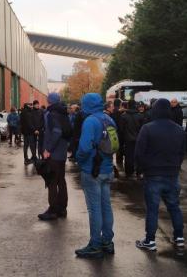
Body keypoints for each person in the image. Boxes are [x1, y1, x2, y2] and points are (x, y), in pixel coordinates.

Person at [134, 99, 186, 255]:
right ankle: (179, 237)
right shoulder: (178, 129)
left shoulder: (147, 128)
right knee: (174, 207)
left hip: (153, 174)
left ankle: (150, 240)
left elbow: (139, 152)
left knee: (152, 209)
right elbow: (182, 153)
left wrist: (141, 169)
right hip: (172, 174)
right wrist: (176, 166)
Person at [74, 93, 116, 259]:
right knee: (106, 206)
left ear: (87, 105)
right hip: (107, 169)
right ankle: (107, 241)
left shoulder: (90, 121)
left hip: (92, 170)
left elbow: (84, 148)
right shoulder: (109, 119)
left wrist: (79, 160)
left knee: (94, 209)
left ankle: (95, 245)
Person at [38, 93, 70, 220]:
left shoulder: (51, 114)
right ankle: (62, 208)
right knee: (61, 181)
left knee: (52, 181)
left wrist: (48, 149)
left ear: (49, 101)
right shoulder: (64, 113)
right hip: (62, 153)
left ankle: (53, 210)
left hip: (53, 153)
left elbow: (56, 132)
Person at [120, 99, 145, 177]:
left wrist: (122, 140)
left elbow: (121, 129)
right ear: (135, 105)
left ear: (128, 105)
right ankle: (139, 171)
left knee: (128, 156)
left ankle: (128, 172)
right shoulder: (140, 116)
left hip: (127, 140)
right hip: (138, 139)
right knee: (138, 155)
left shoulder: (123, 116)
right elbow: (143, 129)